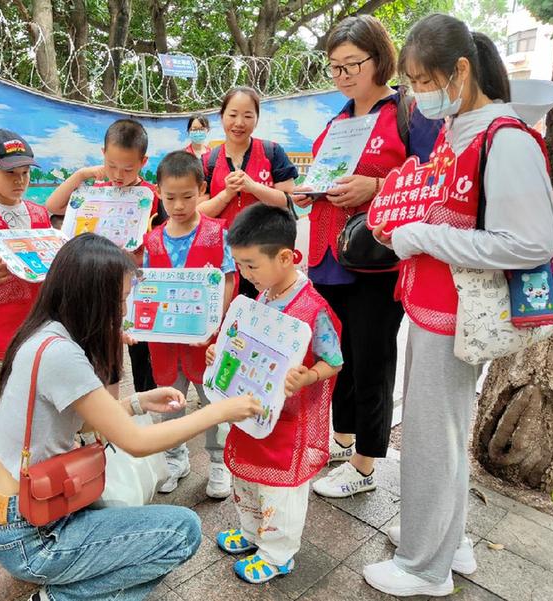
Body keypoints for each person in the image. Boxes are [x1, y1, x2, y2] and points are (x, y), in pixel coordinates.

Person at [362, 14, 553, 597]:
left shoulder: (506, 139)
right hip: (433, 307)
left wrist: (424, 236)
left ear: (461, 71)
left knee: (432, 438)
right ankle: (448, 540)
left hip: (458, 315)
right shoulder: (459, 132)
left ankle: (425, 567)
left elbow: (531, 243)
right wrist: (406, 224)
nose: (418, 94)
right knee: (439, 433)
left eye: (424, 81)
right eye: (412, 83)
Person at [0, 233, 262, 601]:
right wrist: (218, 411)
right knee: (182, 532)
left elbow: (84, 419)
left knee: (138, 530)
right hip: (32, 536)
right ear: (91, 299)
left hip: (19, 508)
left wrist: (138, 403)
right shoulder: (61, 355)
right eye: (119, 300)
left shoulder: (45, 333)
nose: (125, 310)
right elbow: (137, 443)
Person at [292, 15, 440, 499]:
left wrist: (376, 186)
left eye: (352, 64)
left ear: (379, 59)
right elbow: (326, 176)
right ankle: (342, 439)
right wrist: (310, 190)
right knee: (338, 356)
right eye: (334, 67)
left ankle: (365, 464)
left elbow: (432, 178)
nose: (342, 75)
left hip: (377, 259)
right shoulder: (336, 121)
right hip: (327, 258)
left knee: (373, 358)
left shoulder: (408, 114)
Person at [207, 203, 342, 584]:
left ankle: (277, 553)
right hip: (254, 412)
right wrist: (220, 353)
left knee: (280, 490)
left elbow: (334, 361)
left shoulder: (313, 309)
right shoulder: (263, 296)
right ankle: (252, 533)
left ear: (285, 257)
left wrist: (309, 376)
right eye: (240, 265)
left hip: (289, 424)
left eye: (251, 265)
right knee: (247, 479)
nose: (245, 275)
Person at [46, 118, 167, 395]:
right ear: (102, 154)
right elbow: (53, 206)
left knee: (139, 350)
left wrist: (135, 257)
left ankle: (142, 401)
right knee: (99, 350)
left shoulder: (151, 196)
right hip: (96, 288)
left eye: (128, 168)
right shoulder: (94, 190)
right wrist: (81, 175)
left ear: (143, 162)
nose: (119, 174)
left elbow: (160, 244)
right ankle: (99, 406)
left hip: (132, 290)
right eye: (111, 165)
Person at [143, 151, 237, 497]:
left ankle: (219, 462)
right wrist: (137, 323)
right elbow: (144, 288)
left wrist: (215, 324)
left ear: (202, 190)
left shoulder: (216, 233)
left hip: (207, 342)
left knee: (212, 401)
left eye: (187, 196)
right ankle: (174, 458)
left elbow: (229, 278)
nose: (179, 205)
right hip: (165, 342)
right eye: (170, 198)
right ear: (158, 192)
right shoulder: (153, 240)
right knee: (170, 401)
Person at [0, 129, 51, 463]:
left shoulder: (38, 214)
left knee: (40, 372)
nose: (19, 181)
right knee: (0, 378)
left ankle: (41, 434)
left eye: (25, 173)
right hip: (1, 316)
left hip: (39, 310)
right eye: (10, 173)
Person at [198, 87, 298, 299]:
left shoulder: (272, 152)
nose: (239, 123)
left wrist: (253, 187)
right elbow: (199, 212)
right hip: (223, 260)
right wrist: (227, 194)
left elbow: (287, 200)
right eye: (233, 115)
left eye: (248, 116)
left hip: (267, 256)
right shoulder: (208, 161)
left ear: (257, 119)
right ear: (222, 116)